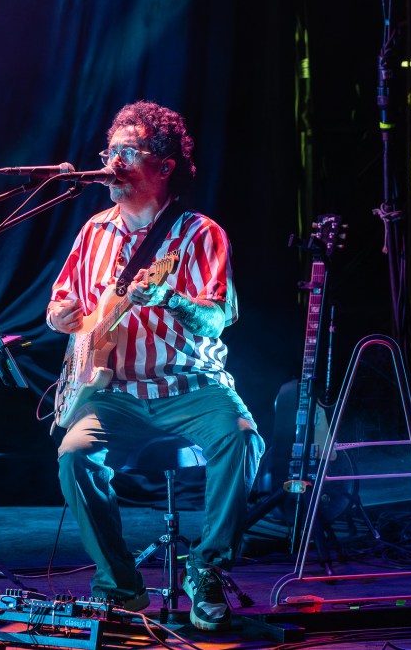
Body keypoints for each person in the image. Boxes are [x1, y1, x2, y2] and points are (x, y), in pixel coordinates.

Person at [46, 100, 264, 631]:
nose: (112, 163)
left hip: (191, 385)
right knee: (74, 455)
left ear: (164, 166)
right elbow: (61, 301)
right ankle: (119, 586)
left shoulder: (199, 234)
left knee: (241, 437)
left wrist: (169, 297)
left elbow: (215, 320)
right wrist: (60, 315)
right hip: (114, 391)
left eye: (127, 152)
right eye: (109, 152)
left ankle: (207, 568)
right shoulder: (93, 232)